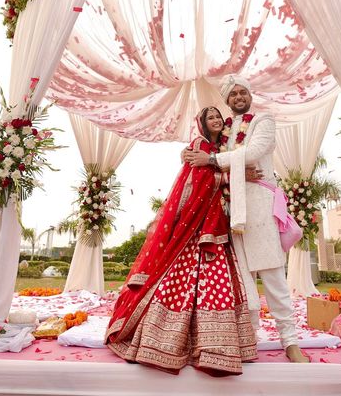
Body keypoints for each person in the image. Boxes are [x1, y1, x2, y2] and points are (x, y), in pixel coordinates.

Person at [106, 106, 257, 376]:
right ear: (202, 123)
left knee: (213, 284)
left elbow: (214, 173)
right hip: (196, 229)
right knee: (180, 283)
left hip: (213, 225)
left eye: (218, 118)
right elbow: (198, 181)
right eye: (210, 117)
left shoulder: (217, 149)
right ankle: (164, 343)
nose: (216, 121)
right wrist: (234, 175)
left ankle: (214, 346)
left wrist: (231, 171)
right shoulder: (199, 145)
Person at [185, 76, 309, 363]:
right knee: (243, 280)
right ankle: (249, 339)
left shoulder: (262, 121)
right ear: (228, 101)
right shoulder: (226, 131)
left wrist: (215, 162)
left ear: (249, 95)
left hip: (261, 208)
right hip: (233, 209)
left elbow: (253, 152)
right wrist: (193, 154)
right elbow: (211, 155)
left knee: (273, 275)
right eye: (233, 94)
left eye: (243, 92)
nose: (239, 97)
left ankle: (290, 342)